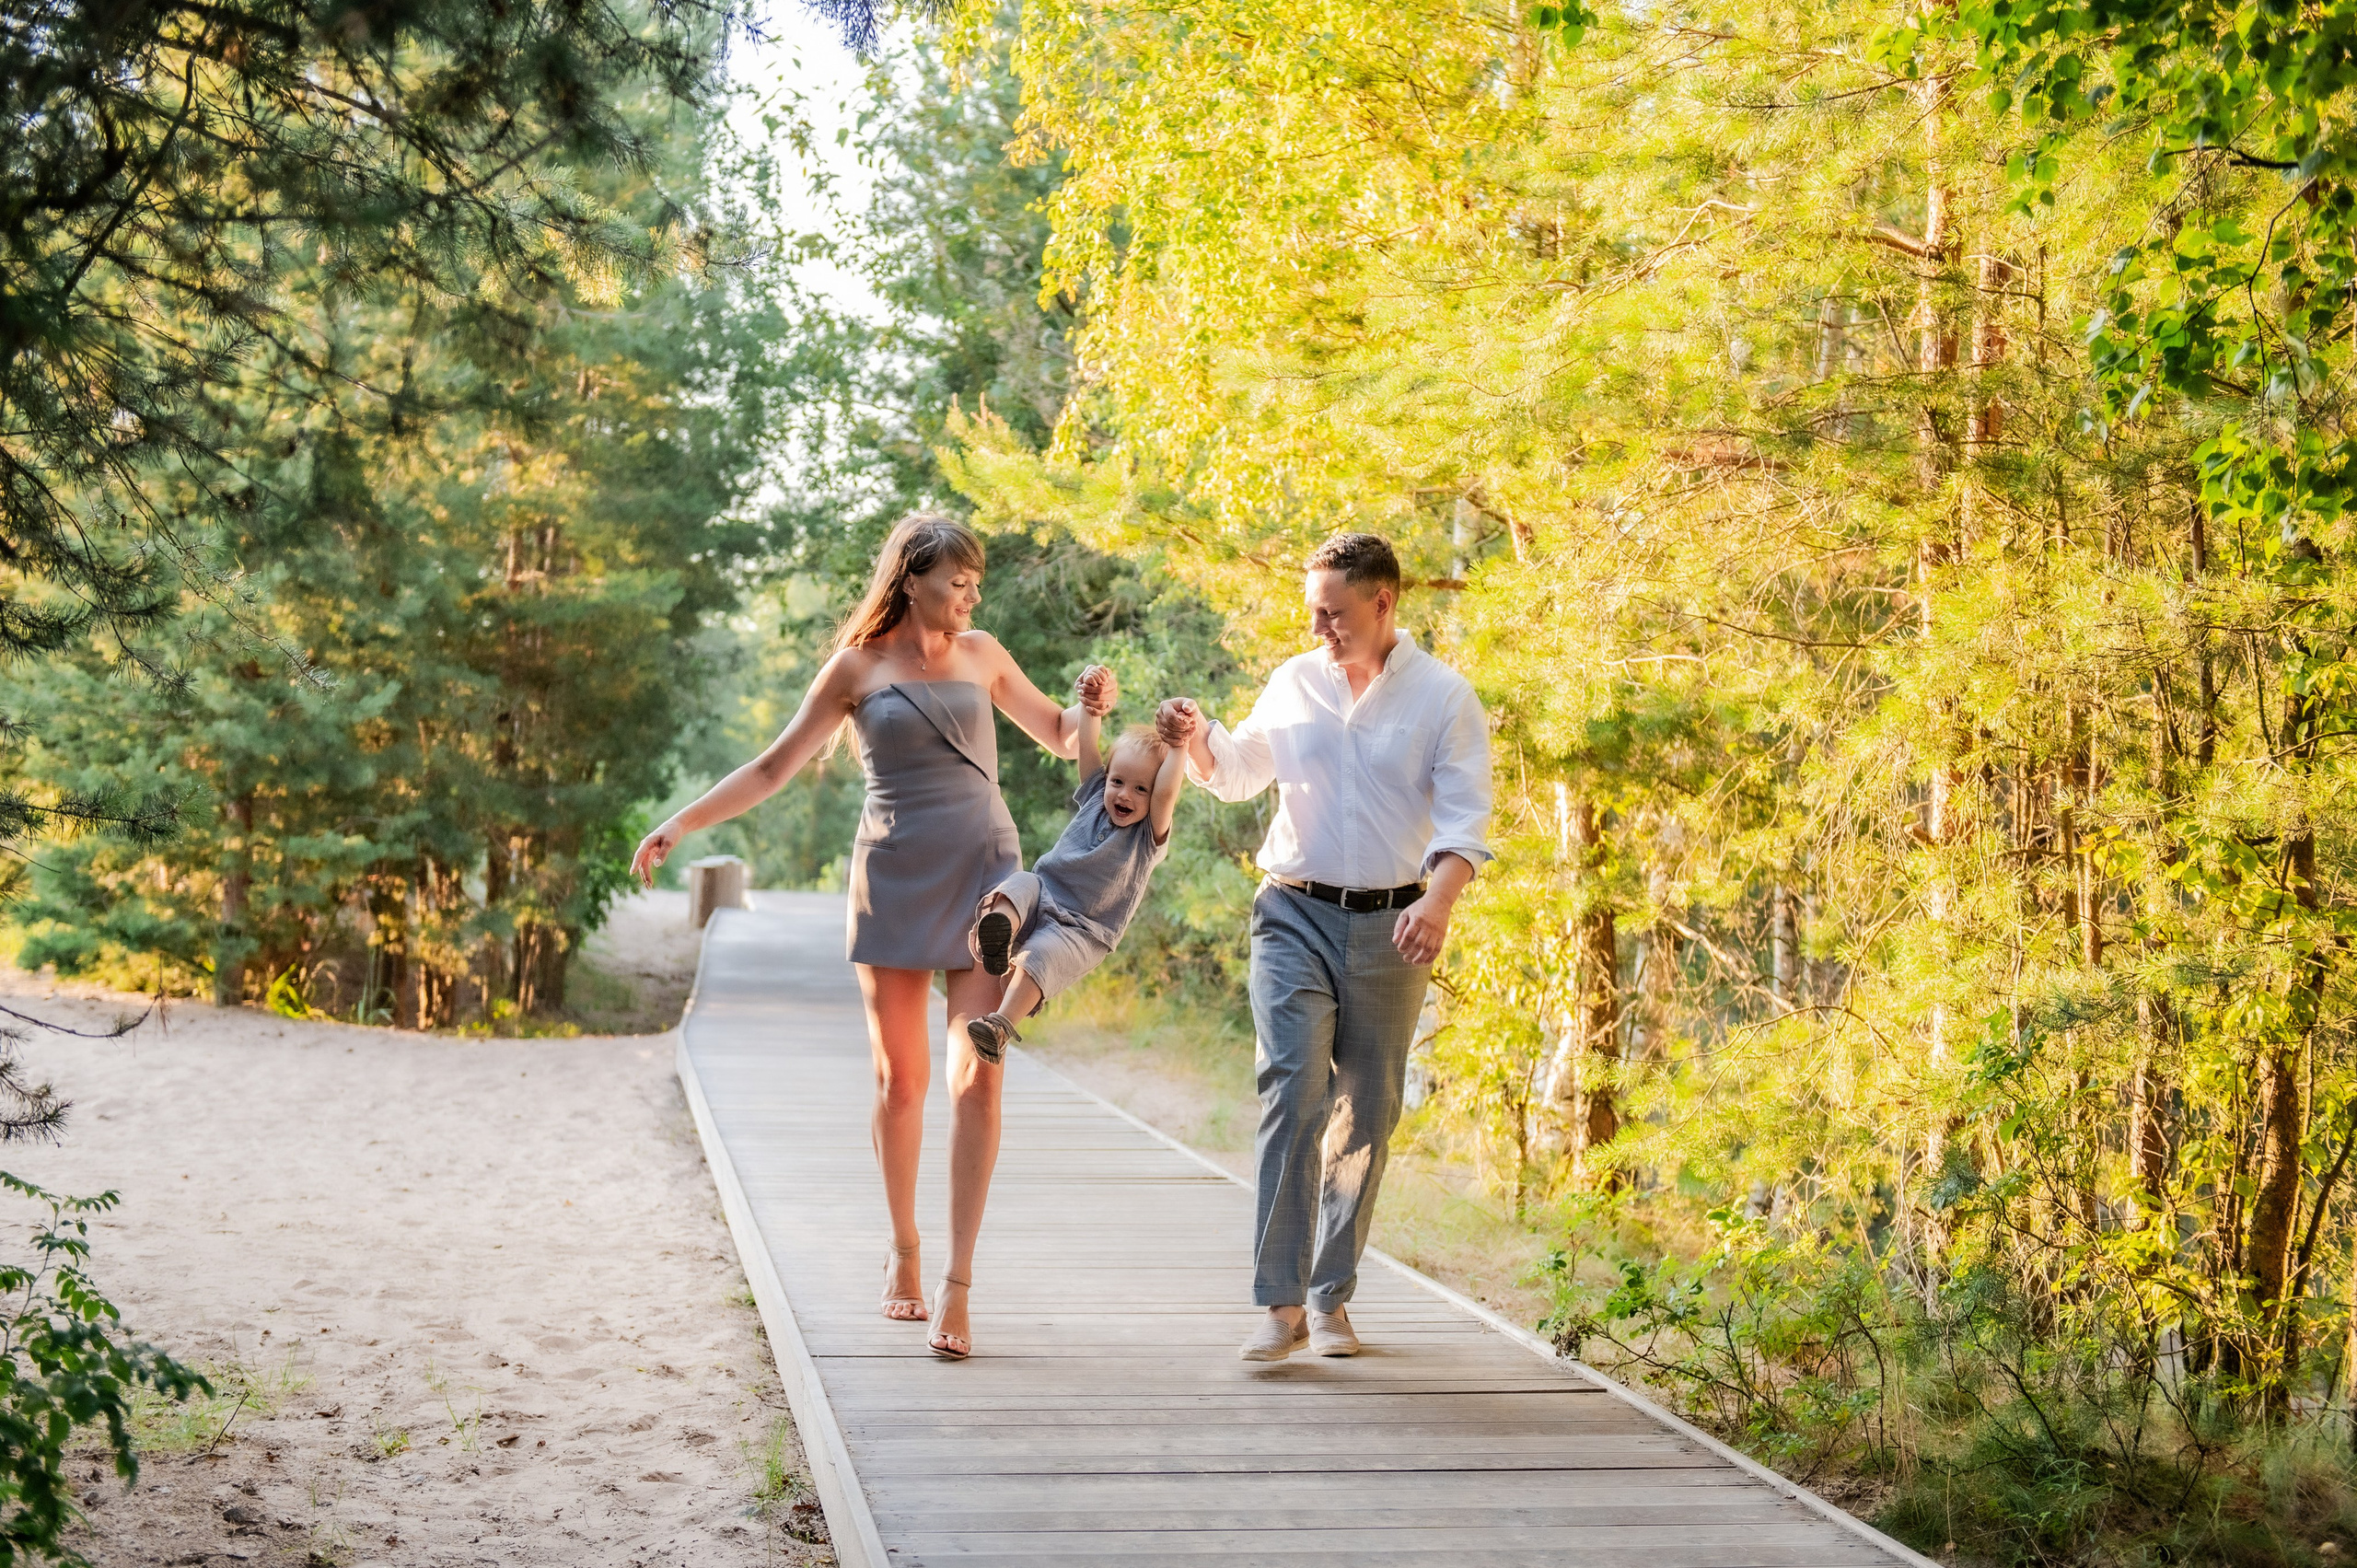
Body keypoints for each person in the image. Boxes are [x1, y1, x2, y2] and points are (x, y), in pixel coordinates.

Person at [630, 513, 1115, 1361]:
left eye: (975, 582)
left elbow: (1063, 738)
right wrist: (682, 821)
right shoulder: (857, 666)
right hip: (891, 878)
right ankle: (905, 1247)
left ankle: (959, 1284)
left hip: (984, 881)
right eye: (957, 580)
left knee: (979, 1075)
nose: (970, 594)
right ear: (913, 576)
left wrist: (1089, 709)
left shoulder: (985, 653)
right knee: (902, 1082)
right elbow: (773, 768)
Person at [1157, 531, 1492, 1362]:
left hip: (1393, 923)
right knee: (1293, 1090)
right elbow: (1237, 770)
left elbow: (1464, 823)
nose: (1318, 628)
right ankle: (1280, 1304)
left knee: (1367, 1111)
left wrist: (1439, 903)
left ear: (1383, 603)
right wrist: (1199, 735)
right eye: (1312, 611)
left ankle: (1330, 1295)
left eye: (1333, 612)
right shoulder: (1294, 681)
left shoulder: (1444, 698)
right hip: (1293, 912)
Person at [964, 677, 1190, 1059]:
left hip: (1083, 930)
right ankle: (998, 935)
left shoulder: (1148, 836)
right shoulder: (1094, 800)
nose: (1124, 794)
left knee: (1042, 958)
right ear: (1105, 779)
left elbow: (1168, 788)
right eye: (1117, 781)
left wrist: (1179, 745)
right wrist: (1089, 706)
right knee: (1020, 882)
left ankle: (999, 1025)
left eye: (1141, 789)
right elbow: (1087, 745)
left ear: (1154, 800)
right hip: (1043, 893)